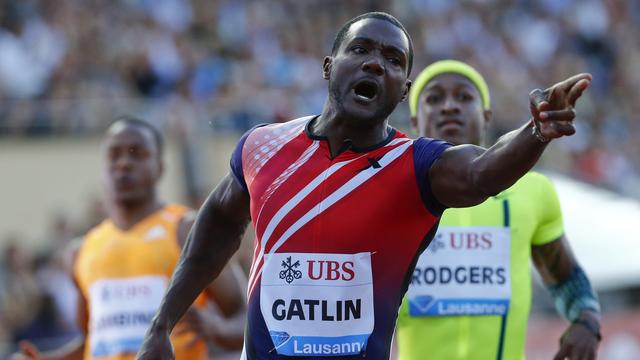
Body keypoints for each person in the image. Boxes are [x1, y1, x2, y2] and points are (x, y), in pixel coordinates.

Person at [136, 12, 592, 360]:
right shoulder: (262, 148)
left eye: (393, 61)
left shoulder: (416, 166)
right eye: (362, 51)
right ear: (329, 67)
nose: (376, 64)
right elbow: (217, 223)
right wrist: (162, 322)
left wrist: (536, 133)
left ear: (402, 88)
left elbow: (481, 173)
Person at [395, 60, 601, 360]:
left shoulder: (533, 191)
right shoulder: (396, 193)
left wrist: (587, 319)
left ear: (487, 116)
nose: (450, 106)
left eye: (465, 97)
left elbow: (566, 278)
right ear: (414, 120)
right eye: (434, 98)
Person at [14, 117, 246, 360]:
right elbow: (94, 343)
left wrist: (217, 329)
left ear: (160, 167)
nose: (124, 163)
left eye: (138, 154)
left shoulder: (187, 230)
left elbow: (246, 318)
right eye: (114, 155)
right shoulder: (81, 251)